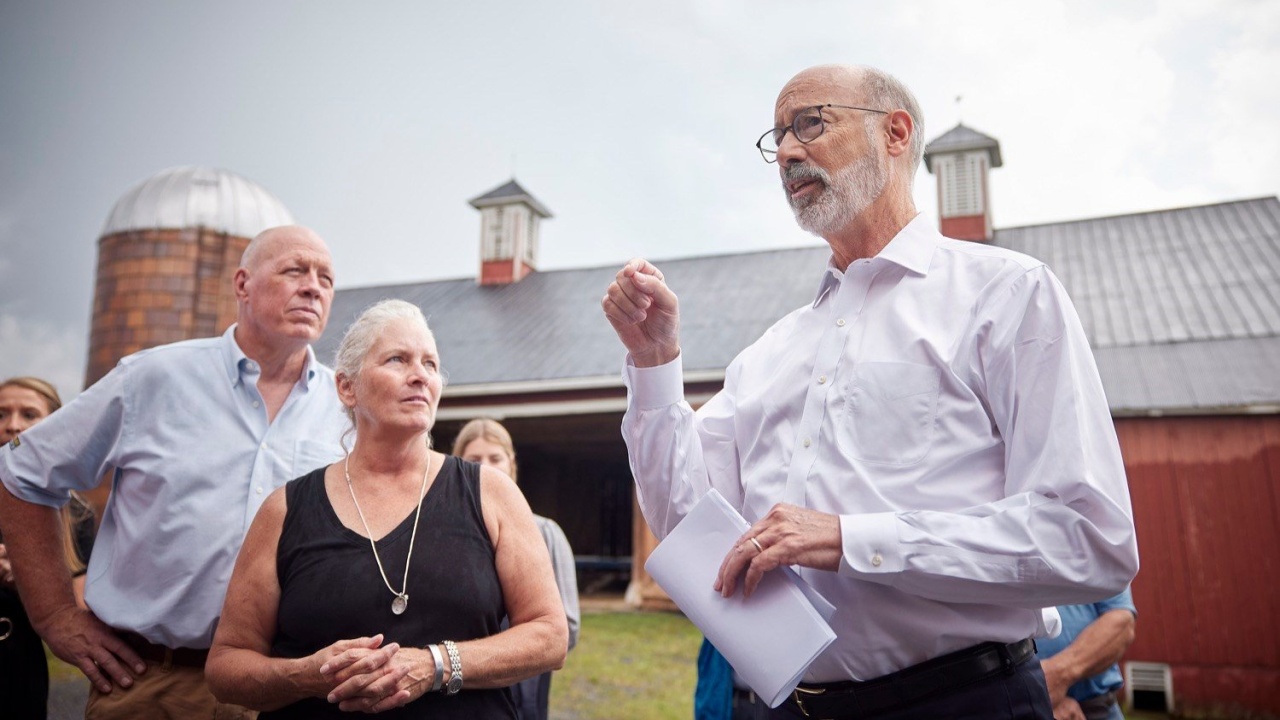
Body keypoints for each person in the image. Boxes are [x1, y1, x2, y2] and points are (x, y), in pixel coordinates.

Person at [601, 64, 1139, 719]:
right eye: (778, 137)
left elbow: (1088, 537)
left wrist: (852, 540)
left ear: (895, 132)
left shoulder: (1006, 295)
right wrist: (655, 363)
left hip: (962, 702)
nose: (789, 151)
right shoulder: (768, 355)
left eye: (810, 123)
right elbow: (687, 527)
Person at [0, 225, 349, 719]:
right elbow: (21, 473)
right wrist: (55, 615)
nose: (314, 286)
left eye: (326, 278)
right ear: (242, 283)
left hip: (290, 690)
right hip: (153, 685)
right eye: (295, 270)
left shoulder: (347, 407)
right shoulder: (153, 378)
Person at [206, 299, 568, 718]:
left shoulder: (490, 493)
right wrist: (305, 676)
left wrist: (434, 664)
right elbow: (226, 666)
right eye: (397, 359)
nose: (420, 376)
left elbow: (549, 636)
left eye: (430, 365)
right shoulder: (285, 510)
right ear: (347, 386)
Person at [453, 417, 581, 720]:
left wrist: (510, 649)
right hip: (452, 688)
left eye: (495, 458)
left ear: (511, 464)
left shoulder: (546, 533)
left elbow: (568, 627)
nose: (486, 467)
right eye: (474, 459)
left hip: (523, 684)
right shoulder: (443, 537)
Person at [0, 376, 96, 720]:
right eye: (1, 414)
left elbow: (82, 609)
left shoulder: (76, 512)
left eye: (29, 414)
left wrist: (32, 578)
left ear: (52, 424)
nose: (12, 426)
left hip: (19, 663)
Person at [1038, 589, 1138, 720]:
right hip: (1021, 705)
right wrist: (1038, 695)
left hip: (1097, 707)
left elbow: (1122, 623)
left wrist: (1058, 676)